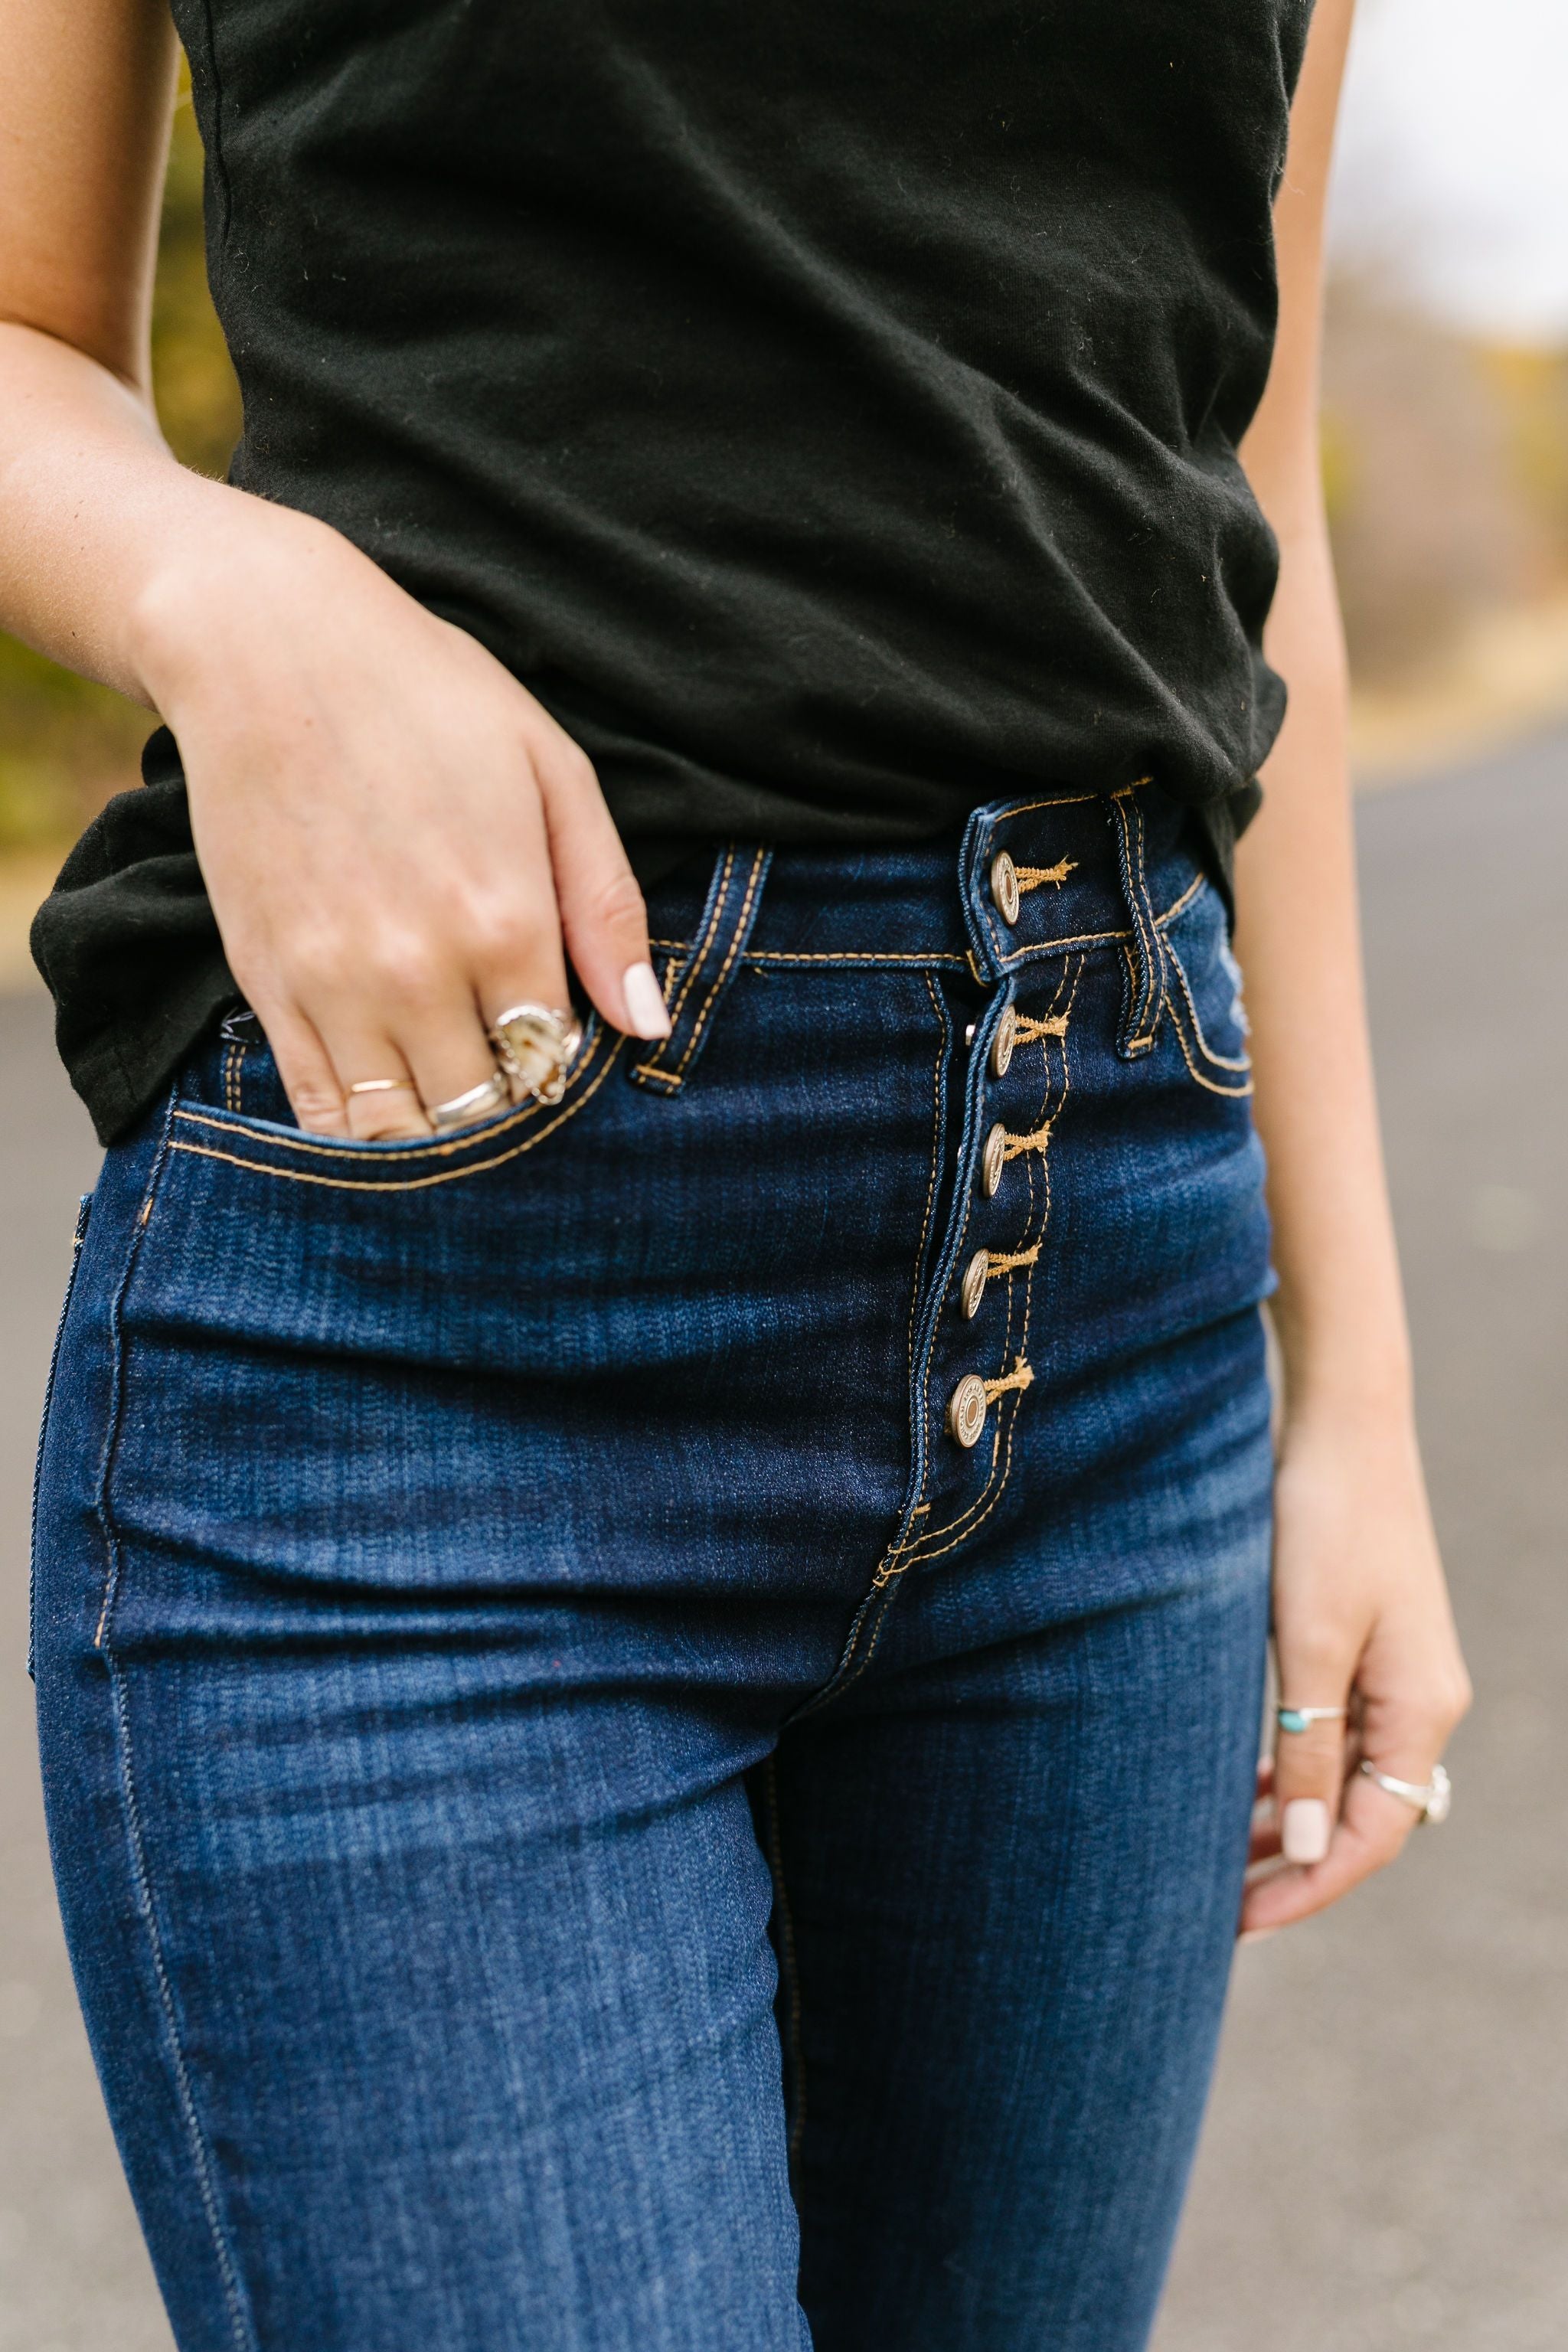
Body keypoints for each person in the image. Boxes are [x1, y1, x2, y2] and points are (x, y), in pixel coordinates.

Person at [6, 0, 1470, 2344]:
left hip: (1116, 1325)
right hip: (426, 1353)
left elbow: (1238, 485)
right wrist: (231, 603)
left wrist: (1362, 1401)